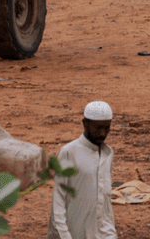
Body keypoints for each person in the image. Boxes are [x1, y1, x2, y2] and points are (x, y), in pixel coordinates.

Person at [49, 101, 116, 239]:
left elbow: (105, 199)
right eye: (97, 128)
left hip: (104, 231)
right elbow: (59, 200)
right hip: (74, 233)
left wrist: (110, 230)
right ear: (85, 123)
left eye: (107, 128)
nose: (103, 133)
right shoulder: (68, 152)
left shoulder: (108, 153)